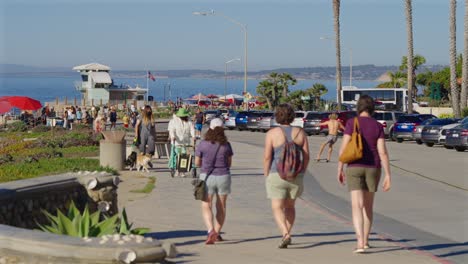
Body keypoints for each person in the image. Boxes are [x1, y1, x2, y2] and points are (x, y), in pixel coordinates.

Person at [336, 95, 391, 253]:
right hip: (373, 167)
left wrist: (339, 168)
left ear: (358, 107)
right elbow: (383, 152)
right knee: (368, 206)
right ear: (372, 108)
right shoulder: (378, 126)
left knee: (356, 206)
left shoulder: (352, 123)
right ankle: (366, 241)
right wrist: (388, 174)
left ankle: (359, 242)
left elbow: (344, 147)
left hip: (354, 166)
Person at [263, 104, 310, 248]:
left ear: (278, 116)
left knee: (277, 207)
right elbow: (307, 156)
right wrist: (302, 171)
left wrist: (266, 175)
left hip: (276, 174)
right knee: (290, 207)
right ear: (292, 116)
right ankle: (287, 233)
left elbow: (267, 157)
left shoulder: (272, 133)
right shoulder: (300, 133)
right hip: (295, 175)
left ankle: (285, 234)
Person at [195, 118, 233, 245]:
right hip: (223, 176)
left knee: (207, 204)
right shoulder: (226, 145)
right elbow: (229, 163)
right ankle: (216, 232)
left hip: (207, 176)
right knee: (221, 206)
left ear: (210, 128)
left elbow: (197, 162)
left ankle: (210, 230)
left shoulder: (203, 144)